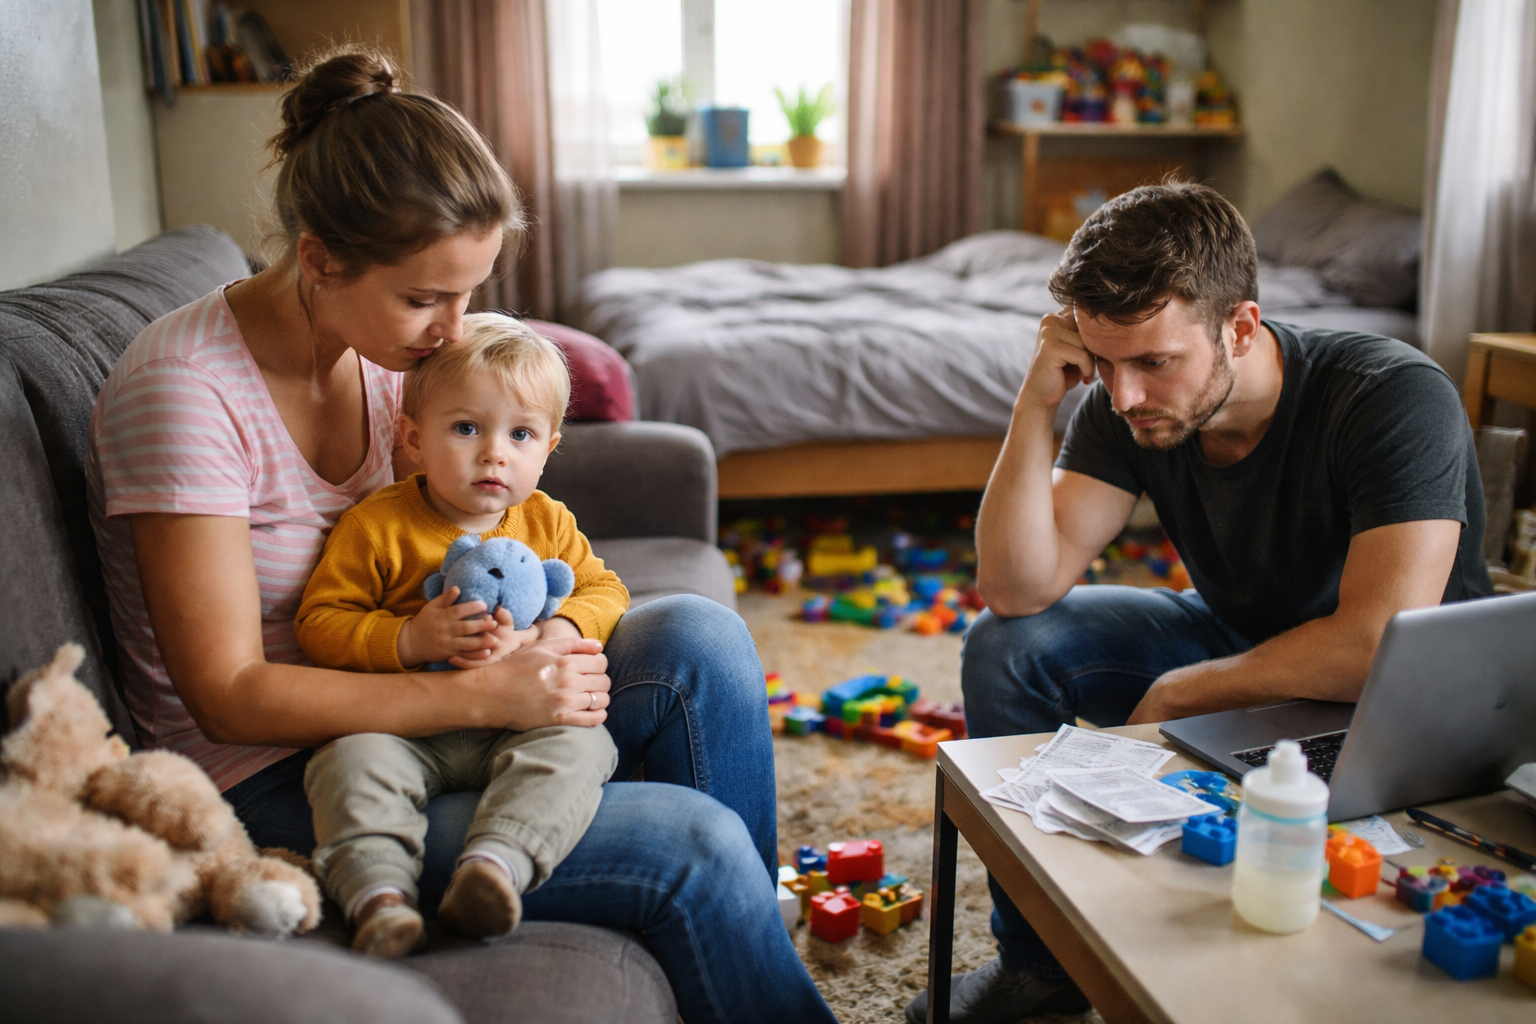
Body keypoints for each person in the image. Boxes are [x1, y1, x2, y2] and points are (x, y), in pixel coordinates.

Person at [86, 47, 837, 1024]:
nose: (453, 329)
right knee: (687, 847)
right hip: (287, 775)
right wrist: (486, 688)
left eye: (470, 290)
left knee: (699, 636)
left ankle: (744, 942)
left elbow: (480, 525)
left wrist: (554, 637)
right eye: (425, 297)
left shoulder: (391, 357)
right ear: (318, 258)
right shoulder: (183, 393)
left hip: (441, 701)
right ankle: (732, 925)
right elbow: (227, 697)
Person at [907, 182, 1491, 1024]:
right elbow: (1016, 584)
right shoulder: (1127, 401)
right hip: (1244, 637)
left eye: (1153, 362)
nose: (1125, 394)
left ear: (1241, 328)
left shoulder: (1390, 394)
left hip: (1403, 695)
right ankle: (1042, 967)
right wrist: (1038, 401)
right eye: (1103, 363)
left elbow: (1374, 645)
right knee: (1006, 643)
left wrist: (1186, 692)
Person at [295, 316, 626, 958]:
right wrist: (410, 639)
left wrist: (551, 635)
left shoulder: (547, 521)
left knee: (585, 746)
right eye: (466, 428)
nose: (494, 453)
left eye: (521, 434)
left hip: (520, 723)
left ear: (549, 447)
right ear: (414, 438)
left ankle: (495, 869)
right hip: (403, 729)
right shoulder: (378, 525)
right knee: (346, 764)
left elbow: (604, 590)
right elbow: (320, 624)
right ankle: (378, 899)